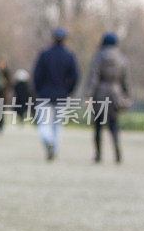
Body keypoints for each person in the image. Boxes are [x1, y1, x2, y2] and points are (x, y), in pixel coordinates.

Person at [83, 32, 131, 163]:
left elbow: (93, 78)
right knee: (114, 125)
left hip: (100, 94)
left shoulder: (98, 57)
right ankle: (117, 151)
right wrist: (127, 96)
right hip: (116, 95)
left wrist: (88, 96)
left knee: (98, 126)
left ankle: (98, 154)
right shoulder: (122, 59)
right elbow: (125, 81)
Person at [32, 28, 78, 161]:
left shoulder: (44, 55)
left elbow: (37, 75)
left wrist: (39, 90)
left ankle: (48, 141)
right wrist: (68, 91)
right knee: (57, 125)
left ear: (52, 38)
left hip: (45, 94)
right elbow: (75, 77)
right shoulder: (69, 56)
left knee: (44, 123)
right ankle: (55, 148)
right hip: (62, 95)